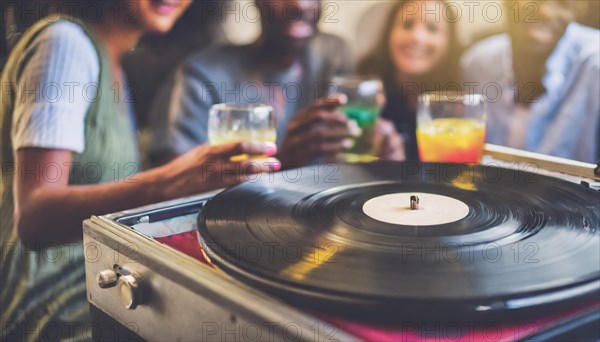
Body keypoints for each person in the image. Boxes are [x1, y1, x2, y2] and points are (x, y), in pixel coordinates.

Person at [0, 1, 278, 340]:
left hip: (104, 288)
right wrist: (170, 182)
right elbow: (35, 218)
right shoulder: (64, 43)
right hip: (52, 311)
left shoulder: (116, 64)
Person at [149, 0, 405, 167]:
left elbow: (350, 155)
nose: (298, 5)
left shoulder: (333, 56)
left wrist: (380, 155)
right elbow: (173, 189)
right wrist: (282, 161)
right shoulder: (200, 75)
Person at [461, 0, 599, 163]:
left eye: (563, 2)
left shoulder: (594, 65)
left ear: (578, 10)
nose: (545, 12)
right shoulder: (477, 64)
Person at [357, 0, 461, 161]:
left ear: (449, 42)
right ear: (389, 33)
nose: (417, 37)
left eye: (432, 28)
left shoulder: (461, 103)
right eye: (407, 25)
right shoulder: (364, 94)